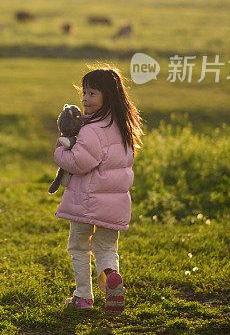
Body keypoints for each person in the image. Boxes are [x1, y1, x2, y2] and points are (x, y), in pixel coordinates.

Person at [53, 66, 143, 314]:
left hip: (86, 202)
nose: (84, 99)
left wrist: (60, 152)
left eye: (92, 93)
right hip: (114, 205)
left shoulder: (92, 129)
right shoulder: (123, 128)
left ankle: (83, 297)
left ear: (108, 96)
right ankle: (112, 277)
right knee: (106, 247)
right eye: (84, 93)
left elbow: (79, 164)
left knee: (79, 247)